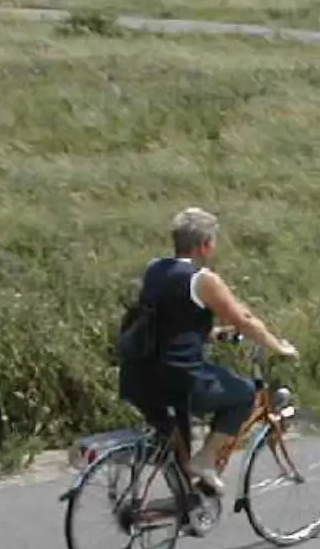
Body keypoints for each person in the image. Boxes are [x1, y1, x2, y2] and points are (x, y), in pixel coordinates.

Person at [120, 207, 299, 502]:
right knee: (244, 394)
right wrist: (278, 346)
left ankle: (186, 504)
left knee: (176, 442)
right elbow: (244, 320)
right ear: (205, 245)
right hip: (178, 378)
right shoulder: (202, 280)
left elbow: (167, 323)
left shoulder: (155, 269)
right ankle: (205, 462)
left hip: (138, 375)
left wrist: (212, 334)